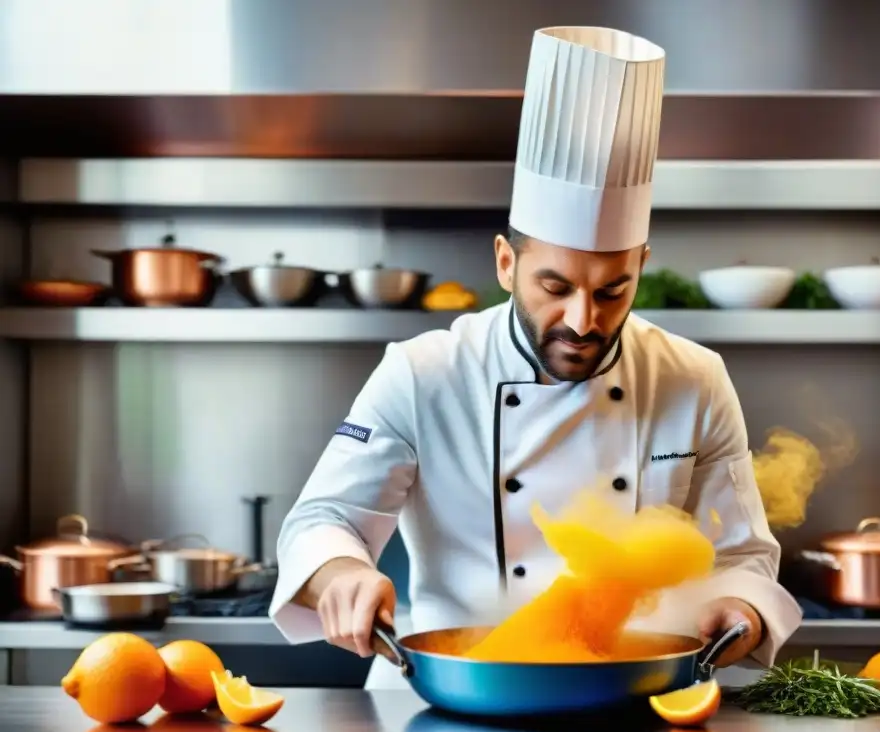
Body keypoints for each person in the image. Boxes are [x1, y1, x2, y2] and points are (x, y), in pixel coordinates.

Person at [269, 25, 802, 689]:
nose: (583, 320)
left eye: (613, 290)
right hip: (452, 688)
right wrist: (341, 574)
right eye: (555, 287)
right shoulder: (423, 372)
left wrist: (740, 605)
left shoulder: (692, 378)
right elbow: (322, 520)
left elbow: (744, 553)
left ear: (641, 266)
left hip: (638, 692)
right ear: (505, 263)